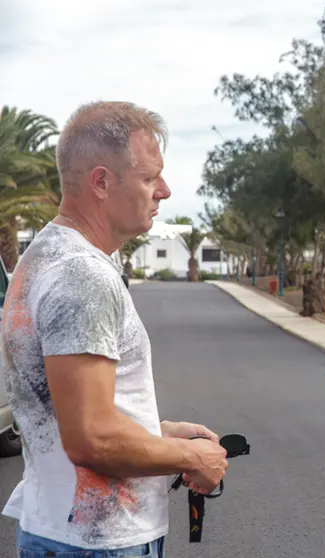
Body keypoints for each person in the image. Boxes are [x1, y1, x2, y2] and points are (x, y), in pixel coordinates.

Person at [1, 101, 228, 557]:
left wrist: (154, 431)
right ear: (101, 182)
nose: (164, 190)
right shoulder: (83, 275)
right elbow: (92, 438)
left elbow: (67, 411)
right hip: (99, 543)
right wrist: (193, 457)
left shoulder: (44, 256)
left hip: (61, 530)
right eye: (149, 177)